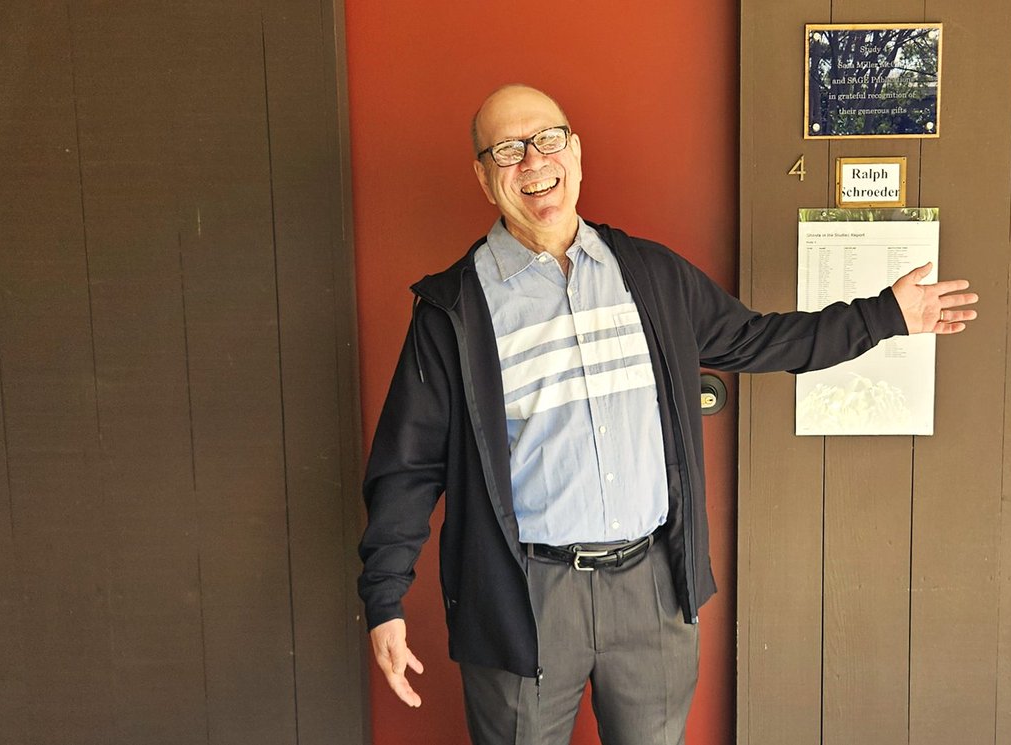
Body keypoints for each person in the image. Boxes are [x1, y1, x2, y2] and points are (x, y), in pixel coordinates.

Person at [358, 84, 978, 745]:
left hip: (653, 587)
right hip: (525, 596)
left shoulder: (649, 276)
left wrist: (884, 315)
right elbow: (408, 464)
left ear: (576, 152)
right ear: (484, 177)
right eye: (507, 150)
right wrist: (385, 597)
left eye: (547, 140)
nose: (533, 162)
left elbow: (763, 339)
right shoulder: (454, 311)